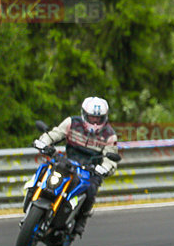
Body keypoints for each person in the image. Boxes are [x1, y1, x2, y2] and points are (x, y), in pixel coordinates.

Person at [33, 97, 119, 236]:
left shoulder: (109, 135)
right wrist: (43, 142)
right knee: (46, 169)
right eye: (91, 118)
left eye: (99, 118)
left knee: (91, 189)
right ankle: (34, 192)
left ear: (105, 117)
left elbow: (111, 158)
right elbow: (55, 134)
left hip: (91, 170)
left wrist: (104, 169)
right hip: (68, 162)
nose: (95, 122)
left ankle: (81, 219)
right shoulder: (72, 123)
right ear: (84, 114)